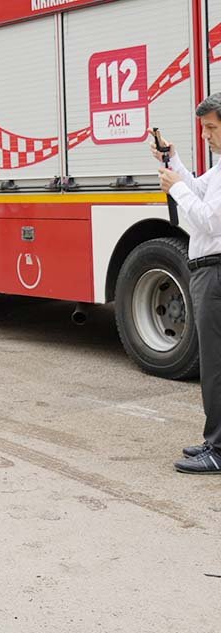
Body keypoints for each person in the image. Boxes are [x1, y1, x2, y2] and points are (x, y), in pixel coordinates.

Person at [155, 95, 221, 474]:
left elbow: (208, 221)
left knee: (215, 366)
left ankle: (219, 449)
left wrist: (174, 187)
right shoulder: (218, 168)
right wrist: (174, 164)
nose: (206, 134)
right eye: (203, 127)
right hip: (208, 272)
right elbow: (197, 190)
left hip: (214, 273)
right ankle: (215, 441)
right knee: (215, 364)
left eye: (211, 127)